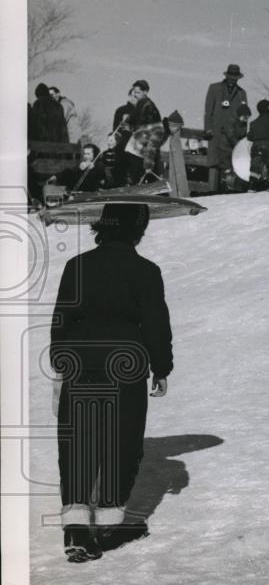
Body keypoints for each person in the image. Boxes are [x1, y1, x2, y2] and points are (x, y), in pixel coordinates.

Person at [50, 203, 173, 562]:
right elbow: (155, 323)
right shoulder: (145, 271)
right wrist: (161, 368)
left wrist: (62, 361)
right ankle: (108, 524)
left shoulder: (77, 266)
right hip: (126, 364)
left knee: (78, 443)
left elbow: (62, 317)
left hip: (80, 362)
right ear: (137, 231)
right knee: (122, 441)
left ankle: (76, 528)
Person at [204, 64, 249, 193]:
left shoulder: (241, 94)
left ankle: (228, 194)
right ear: (226, 76)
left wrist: (242, 136)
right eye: (230, 77)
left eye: (235, 78)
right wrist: (208, 129)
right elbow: (208, 111)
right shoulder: (214, 89)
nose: (232, 80)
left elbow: (244, 116)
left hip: (233, 137)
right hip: (216, 134)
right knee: (215, 164)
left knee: (231, 165)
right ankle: (212, 192)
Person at [124, 80, 165, 184]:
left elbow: (153, 138)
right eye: (134, 92)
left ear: (145, 92)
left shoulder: (149, 108)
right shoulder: (141, 105)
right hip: (137, 148)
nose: (135, 95)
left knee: (140, 178)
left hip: (143, 151)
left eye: (137, 92)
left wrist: (148, 163)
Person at [247, 100, 269, 190]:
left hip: (256, 145)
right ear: (267, 109)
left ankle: (252, 185)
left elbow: (249, 136)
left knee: (255, 166)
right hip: (268, 145)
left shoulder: (253, 123)